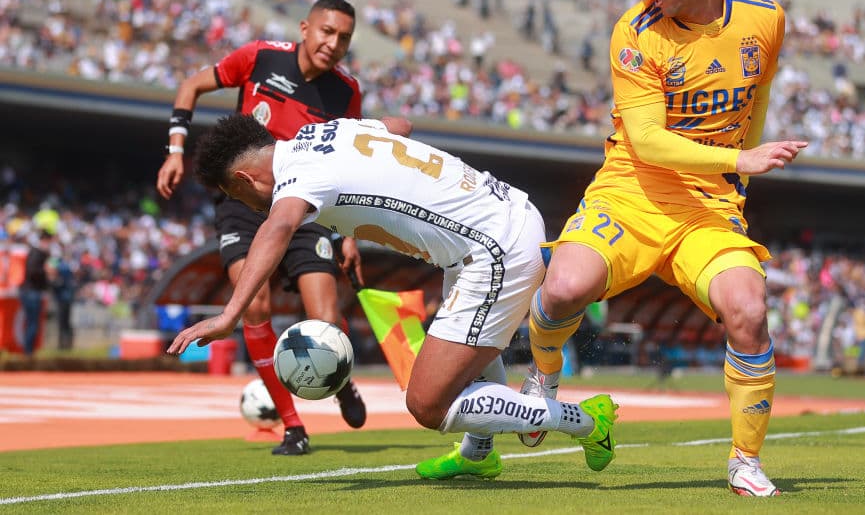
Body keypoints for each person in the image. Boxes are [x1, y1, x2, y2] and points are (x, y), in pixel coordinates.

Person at [520, 0, 807, 497]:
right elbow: (648, 142)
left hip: (707, 206)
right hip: (632, 191)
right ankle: (544, 379)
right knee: (563, 288)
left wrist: (738, 175)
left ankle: (744, 463)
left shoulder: (765, 18)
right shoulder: (636, 33)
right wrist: (741, 161)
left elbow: (757, 98)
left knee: (750, 311)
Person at [167, 114, 619, 479]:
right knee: (463, 368)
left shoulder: (297, 179)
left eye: (238, 197)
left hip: (494, 248)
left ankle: (586, 420)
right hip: (485, 234)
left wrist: (229, 315)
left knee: (427, 403)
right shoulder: (326, 132)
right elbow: (398, 125)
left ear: (245, 178)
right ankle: (478, 455)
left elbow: (278, 228)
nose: (247, 206)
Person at [156, 0, 368, 456]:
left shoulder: (346, 92)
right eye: (326, 31)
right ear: (305, 28)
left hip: (306, 206)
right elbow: (191, 85)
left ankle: (341, 377)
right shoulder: (258, 58)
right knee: (254, 308)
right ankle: (293, 426)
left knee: (326, 319)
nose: (334, 43)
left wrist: (349, 233)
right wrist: (175, 149)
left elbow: (350, 160)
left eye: (344, 37)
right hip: (244, 202)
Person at [19, 229, 55, 356]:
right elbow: (32, 272)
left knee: (32, 323)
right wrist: (46, 271)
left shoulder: (40, 253)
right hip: (31, 292)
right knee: (32, 323)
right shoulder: (37, 253)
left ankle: (29, 351)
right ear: (45, 240)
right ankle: (28, 353)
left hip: (32, 292)